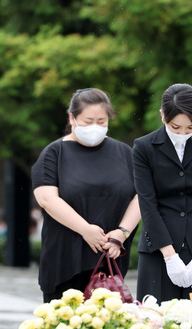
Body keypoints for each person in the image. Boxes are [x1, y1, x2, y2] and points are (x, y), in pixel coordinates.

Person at [32, 88, 140, 302]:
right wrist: (85, 230)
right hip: (65, 262)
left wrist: (122, 232)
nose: (95, 127)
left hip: (109, 262)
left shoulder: (124, 153)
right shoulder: (54, 154)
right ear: (72, 118)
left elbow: (141, 196)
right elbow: (47, 199)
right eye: (89, 120)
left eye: (102, 121)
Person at [133, 83, 192, 302]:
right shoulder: (144, 147)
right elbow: (147, 203)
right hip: (159, 249)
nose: (183, 133)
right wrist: (169, 256)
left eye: (191, 127)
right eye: (176, 127)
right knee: (157, 328)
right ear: (163, 116)